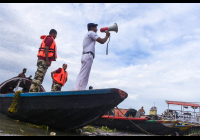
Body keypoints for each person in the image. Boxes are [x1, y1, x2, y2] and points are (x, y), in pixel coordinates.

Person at [72, 23, 110, 91]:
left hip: (86, 55)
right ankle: (77, 90)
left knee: (84, 75)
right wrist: (107, 36)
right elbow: (102, 41)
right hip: (88, 55)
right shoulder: (91, 33)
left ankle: (79, 89)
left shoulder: (89, 34)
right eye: (96, 27)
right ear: (92, 28)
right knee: (84, 75)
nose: (97, 29)